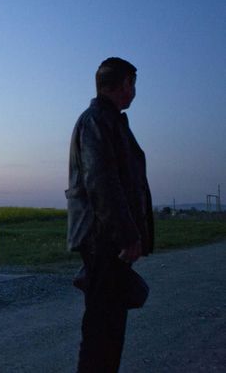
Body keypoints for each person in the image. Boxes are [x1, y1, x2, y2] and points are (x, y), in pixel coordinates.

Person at [66, 57, 154, 372]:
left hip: (108, 238)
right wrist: (128, 235)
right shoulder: (96, 120)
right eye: (133, 84)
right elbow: (101, 182)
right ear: (123, 84)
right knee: (102, 329)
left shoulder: (110, 120)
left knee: (110, 327)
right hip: (103, 240)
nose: (134, 91)